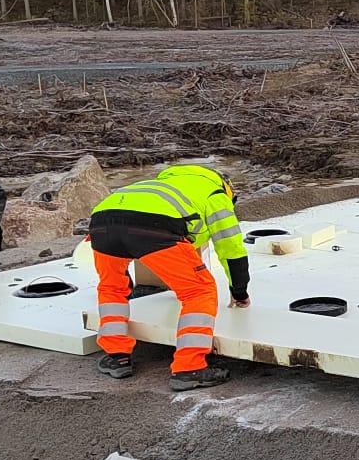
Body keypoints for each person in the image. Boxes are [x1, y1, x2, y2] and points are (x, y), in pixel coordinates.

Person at [87, 165, 251, 391]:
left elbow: (185, 243)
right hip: (155, 226)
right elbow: (231, 248)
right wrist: (239, 291)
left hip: (102, 220)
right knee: (199, 291)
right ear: (228, 189)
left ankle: (117, 356)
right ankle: (189, 368)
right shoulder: (216, 194)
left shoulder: (168, 185)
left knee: (112, 288)